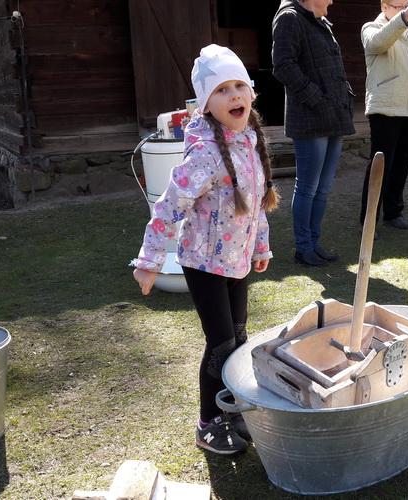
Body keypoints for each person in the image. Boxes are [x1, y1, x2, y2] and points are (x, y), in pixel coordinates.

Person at [132, 45, 280, 455]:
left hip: (236, 261)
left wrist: (260, 247)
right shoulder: (205, 154)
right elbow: (168, 207)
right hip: (203, 264)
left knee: (238, 337)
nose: (234, 96)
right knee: (220, 345)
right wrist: (149, 261)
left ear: (251, 92)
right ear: (206, 104)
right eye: (221, 90)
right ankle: (208, 423)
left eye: (239, 86)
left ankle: (230, 408)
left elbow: (257, 204)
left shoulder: (250, 142)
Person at [272, 0, 356, 266]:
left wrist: (342, 98)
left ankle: (314, 243)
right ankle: (303, 247)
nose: (331, 1)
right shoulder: (290, 18)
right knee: (308, 187)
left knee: (323, 187)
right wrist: (316, 98)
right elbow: (283, 66)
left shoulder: (319, 21)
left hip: (333, 115)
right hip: (310, 117)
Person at [359, 1, 408, 232]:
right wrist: (404, 17)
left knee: (402, 163)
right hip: (386, 108)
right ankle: (369, 219)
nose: (404, 9)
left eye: (406, 4)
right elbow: (378, 43)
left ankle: (393, 212)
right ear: (384, 7)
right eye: (398, 5)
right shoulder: (371, 28)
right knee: (380, 166)